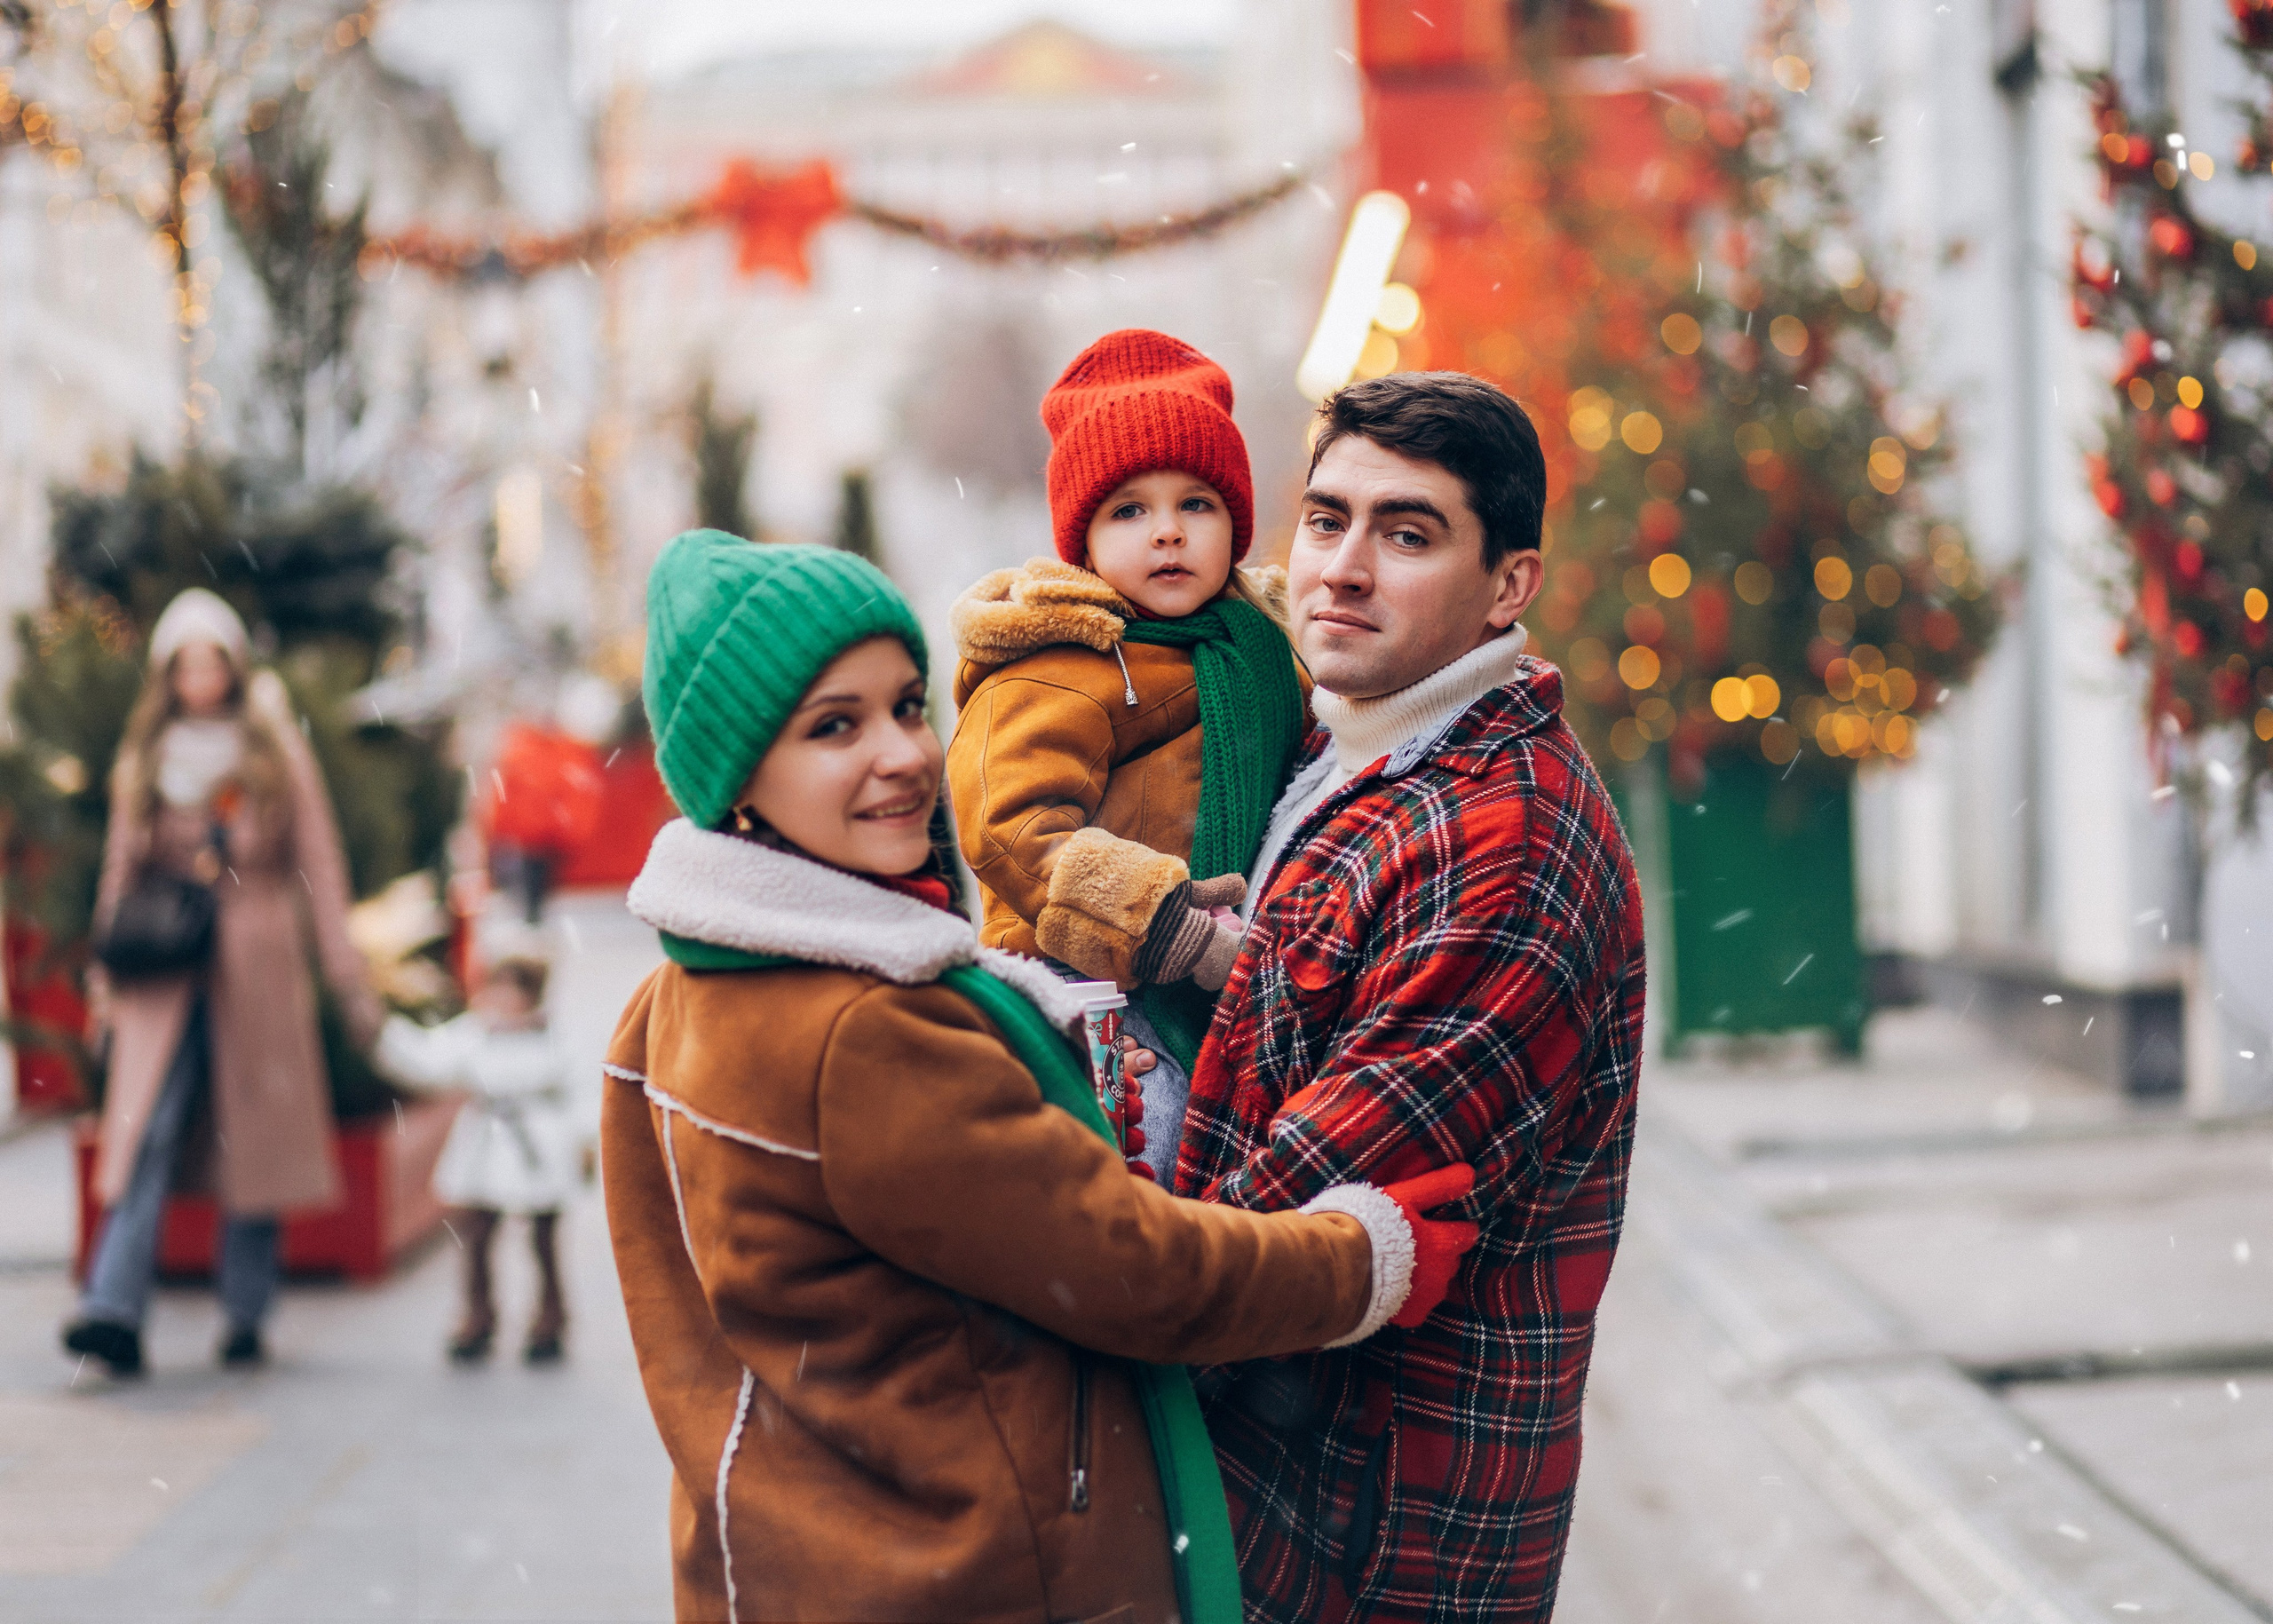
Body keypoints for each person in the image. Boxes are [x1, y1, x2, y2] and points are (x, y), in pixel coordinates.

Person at [603, 531, 1478, 1624]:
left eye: (908, 704)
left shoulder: (675, 998)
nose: (905, 754)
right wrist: (1361, 1256)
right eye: (836, 725)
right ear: (737, 774)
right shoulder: (868, 1033)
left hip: (802, 1557)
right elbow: (1133, 1269)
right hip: (979, 1577)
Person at [1171, 374, 1647, 1621]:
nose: (1343, 567)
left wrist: (1047, 1243)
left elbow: (1288, 1220)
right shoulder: (1337, 756)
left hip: (1376, 1538)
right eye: (1326, 519)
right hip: (1264, 1502)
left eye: (1408, 532)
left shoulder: (1511, 840)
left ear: (1510, 586)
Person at [947, 329, 1309, 1176]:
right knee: (1163, 1168)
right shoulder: (1059, 660)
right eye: (1131, 510)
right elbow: (1009, 825)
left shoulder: (1260, 649)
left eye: (1197, 504)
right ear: (1084, 537)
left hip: (1224, 974)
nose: (1169, 533)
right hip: (1097, 989)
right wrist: (1159, 921)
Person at [64, 588, 382, 1376]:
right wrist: (104, 978)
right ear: (166, 672)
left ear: (234, 665)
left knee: (258, 1135)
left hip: (256, 961)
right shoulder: (146, 755)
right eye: (186, 662)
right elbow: (119, 867)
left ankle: (245, 1310)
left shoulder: (270, 745)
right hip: (164, 970)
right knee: (146, 1130)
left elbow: (320, 858)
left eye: (213, 659)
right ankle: (113, 1308)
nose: (201, 676)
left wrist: (346, 976)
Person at [376, 951, 584, 1365]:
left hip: (535, 1146)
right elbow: (429, 1060)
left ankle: (551, 1317)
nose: (502, 1001)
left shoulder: (554, 1037)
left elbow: (583, 1089)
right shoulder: (476, 1034)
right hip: (486, 1145)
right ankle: (478, 1315)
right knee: (477, 1236)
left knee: (544, 1240)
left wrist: (584, 1140)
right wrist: (382, 1033)